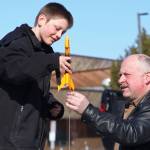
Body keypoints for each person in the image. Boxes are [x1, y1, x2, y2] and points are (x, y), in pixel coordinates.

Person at [0, 2, 73, 150]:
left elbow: (34, 90)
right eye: (57, 28)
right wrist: (52, 61)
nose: (59, 35)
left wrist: (51, 105)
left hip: (32, 141)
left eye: (63, 33)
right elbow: (16, 72)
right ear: (41, 20)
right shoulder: (15, 42)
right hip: (10, 142)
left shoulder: (45, 52)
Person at [66, 54, 150, 150]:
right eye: (120, 75)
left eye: (127, 75)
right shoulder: (131, 105)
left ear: (147, 77)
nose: (120, 80)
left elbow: (132, 133)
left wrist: (88, 111)